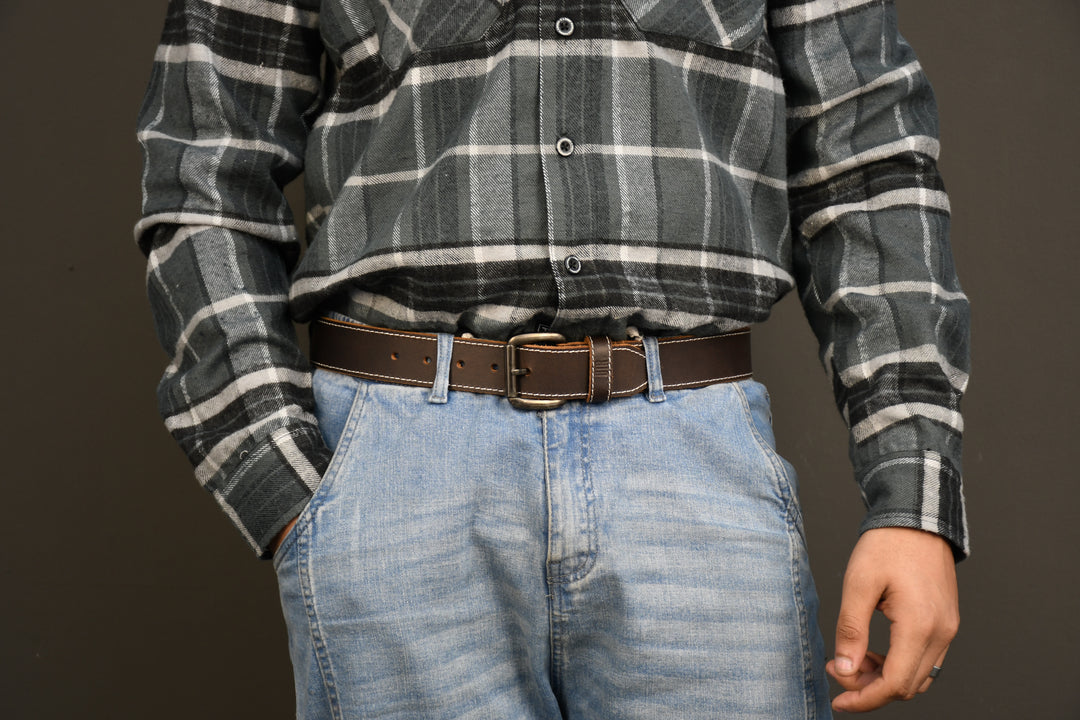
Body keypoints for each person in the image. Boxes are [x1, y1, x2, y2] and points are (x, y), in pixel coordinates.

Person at [136, 1, 968, 717]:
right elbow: (205, 168)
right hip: (395, 478)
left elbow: (867, 164)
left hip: (696, 469)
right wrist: (287, 489)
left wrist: (913, 491)